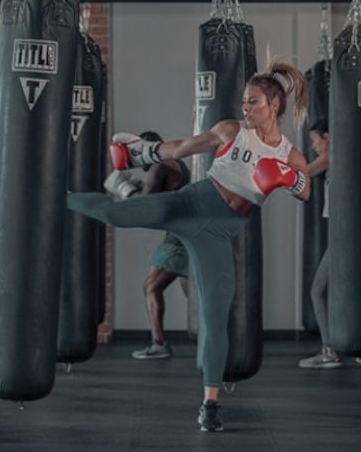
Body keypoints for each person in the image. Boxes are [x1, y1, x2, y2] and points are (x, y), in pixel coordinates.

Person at [67, 58, 310, 432]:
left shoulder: (288, 153)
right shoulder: (232, 130)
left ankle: (209, 405)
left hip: (220, 233)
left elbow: (306, 189)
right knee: (119, 215)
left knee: (215, 317)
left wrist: (285, 178)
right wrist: (147, 152)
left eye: (253, 102)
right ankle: (59, 195)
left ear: (274, 105)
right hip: (191, 203)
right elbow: (183, 147)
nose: (245, 108)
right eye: (245, 101)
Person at [104, 131, 190, 360]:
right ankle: (224, 340)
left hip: (179, 236)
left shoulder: (159, 166)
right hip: (187, 232)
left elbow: (144, 207)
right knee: (194, 295)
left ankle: (159, 343)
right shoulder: (173, 164)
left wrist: (123, 189)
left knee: (151, 287)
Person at [298, 118, 361, 369]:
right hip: (343, 232)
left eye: (316, 142)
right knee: (355, 289)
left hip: (343, 235)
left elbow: (305, 171)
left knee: (318, 290)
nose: (315, 147)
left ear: (327, 138)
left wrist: (274, 169)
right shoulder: (340, 159)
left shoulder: (334, 155)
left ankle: (330, 351)